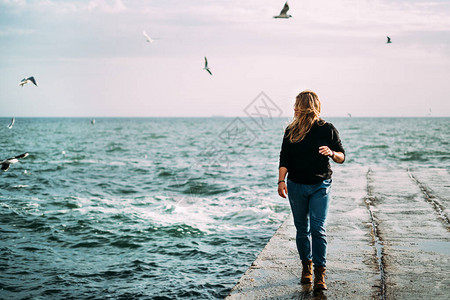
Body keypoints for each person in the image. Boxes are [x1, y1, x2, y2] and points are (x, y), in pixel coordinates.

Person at [278, 90, 345, 292]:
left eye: (297, 105)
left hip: (320, 185)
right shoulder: (291, 130)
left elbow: (342, 156)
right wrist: (281, 181)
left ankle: (319, 274)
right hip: (296, 185)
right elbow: (285, 158)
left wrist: (332, 153)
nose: (294, 109)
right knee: (301, 229)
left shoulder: (327, 129)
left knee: (318, 228)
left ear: (306, 107)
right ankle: (306, 267)